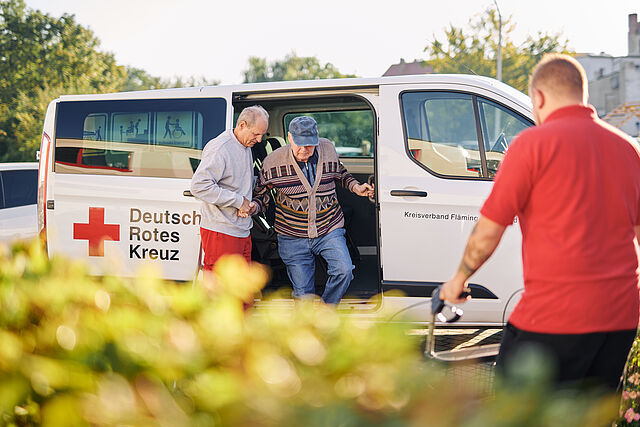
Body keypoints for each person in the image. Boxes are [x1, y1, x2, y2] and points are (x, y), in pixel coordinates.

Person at [440, 54, 640, 390]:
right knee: (593, 410)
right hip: (621, 317)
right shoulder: (628, 149)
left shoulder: (531, 145)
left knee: (519, 407)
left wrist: (458, 279)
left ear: (539, 97)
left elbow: (488, 232)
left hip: (555, 316)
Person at [251, 116, 374, 304]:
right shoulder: (273, 161)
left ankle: (326, 310)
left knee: (344, 270)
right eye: (299, 144)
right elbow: (262, 194)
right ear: (290, 138)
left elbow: (340, 173)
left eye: (309, 144)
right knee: (303, 293)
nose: (304, 149)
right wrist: (254, 206)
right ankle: (308, 321)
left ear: (316, 136)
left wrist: (356, 187)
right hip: (291, 235)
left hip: (329, 228)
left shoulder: (328, 148)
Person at [190, 105, 269, 272]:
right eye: (256, 134)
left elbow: (240, 181)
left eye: (262, 134)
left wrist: (251, 202)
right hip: (221, 230)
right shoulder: (221, 147)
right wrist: (239, 201)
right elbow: (199, 185)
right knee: (220, 284)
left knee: (240, 285)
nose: (259, 140)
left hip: (242, 229)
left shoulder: (245, 146)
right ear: (242, 125)